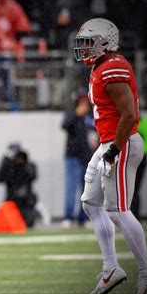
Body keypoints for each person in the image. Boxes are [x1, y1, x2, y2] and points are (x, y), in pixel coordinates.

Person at [74, 18, 147, 294]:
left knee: (118, 211)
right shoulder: (100, 67)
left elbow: (128, 115)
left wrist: (113, 151)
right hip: (108, 143)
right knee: (90, 202)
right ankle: (111, 267)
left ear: (105, 42)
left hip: (120, 143)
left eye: (89, 42)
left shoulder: (113, 66)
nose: (84, 49)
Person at [61, 92, 93, 229]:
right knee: (71, 189)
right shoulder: (72, 113)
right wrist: (76, 114)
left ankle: (83, 217)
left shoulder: (90, 116)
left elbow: (94, 133)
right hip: (72, 156)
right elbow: (64, 125)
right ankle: (68, 216)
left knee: (86, 190)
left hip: (86, 157)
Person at [0, 143, 38, 227]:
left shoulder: (29, 165)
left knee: (28, 223)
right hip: (12, 202)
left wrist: (24, 163)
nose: (18, 159)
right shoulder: (9, 167)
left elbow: (33, 176)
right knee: (10, 224)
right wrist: (6, 161)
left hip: (26, 201)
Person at [130, 115, 147, 218]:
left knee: (132, 189)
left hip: (135, 156)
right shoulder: (146, 122)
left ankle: (133, 215)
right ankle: (135, 215)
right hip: (144, 157)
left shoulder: (133, 123)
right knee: (135, 190)